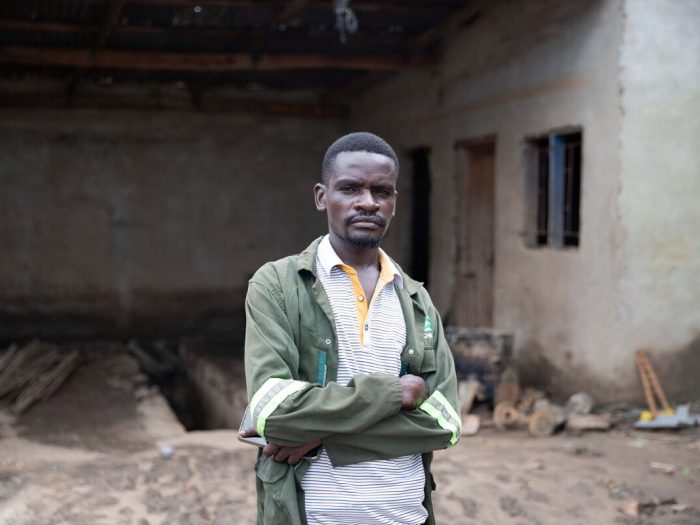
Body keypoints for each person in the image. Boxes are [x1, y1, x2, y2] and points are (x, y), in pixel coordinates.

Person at [240, 132, 461, 525]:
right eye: (350, 188)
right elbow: (271, 412)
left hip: (404, 514)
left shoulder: (415, 300)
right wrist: (396, 392)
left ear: (394, 202)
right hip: (315, 515)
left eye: (382, 191)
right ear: (322, 197)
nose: (368, 202)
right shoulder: (276, 285)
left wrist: (322, 434)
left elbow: (445, 423)